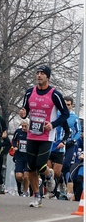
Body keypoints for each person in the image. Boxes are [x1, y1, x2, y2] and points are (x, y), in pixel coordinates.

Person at [19, 65, 69, 207]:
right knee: (30, 168)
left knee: (40, 165)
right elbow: (25, 110)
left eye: (42, 73)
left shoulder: (55, 94)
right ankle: (37, 196)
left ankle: (49, 174)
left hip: (46, 136)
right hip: (31, 134)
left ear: (47, 77)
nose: (39, 75)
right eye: (38, 73)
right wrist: (23, 114)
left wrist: (52, 124)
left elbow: (65, 114)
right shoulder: (30, 93)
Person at [60, 96, 82, 192]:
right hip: (58, 144)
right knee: (56, 167)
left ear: (71, 106)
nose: (66, 106)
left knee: (66, 165)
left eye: (68, 105)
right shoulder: (57, 115)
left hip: (69, 145)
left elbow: (79, 131)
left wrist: (73, 140)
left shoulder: (75, 118)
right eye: (65, 104)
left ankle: (68, 190)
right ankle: (58, 185)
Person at [12, 119, 30, 197]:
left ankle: (25, 192)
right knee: (19, 176)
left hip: (28, 157)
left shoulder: (31, 133)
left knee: (26, 176)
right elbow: (14, 140)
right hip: (19, 156)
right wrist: (15, 146)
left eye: (25, 126)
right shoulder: (18, 132)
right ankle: (25, 184)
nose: (23, 128)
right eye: (22, 126)